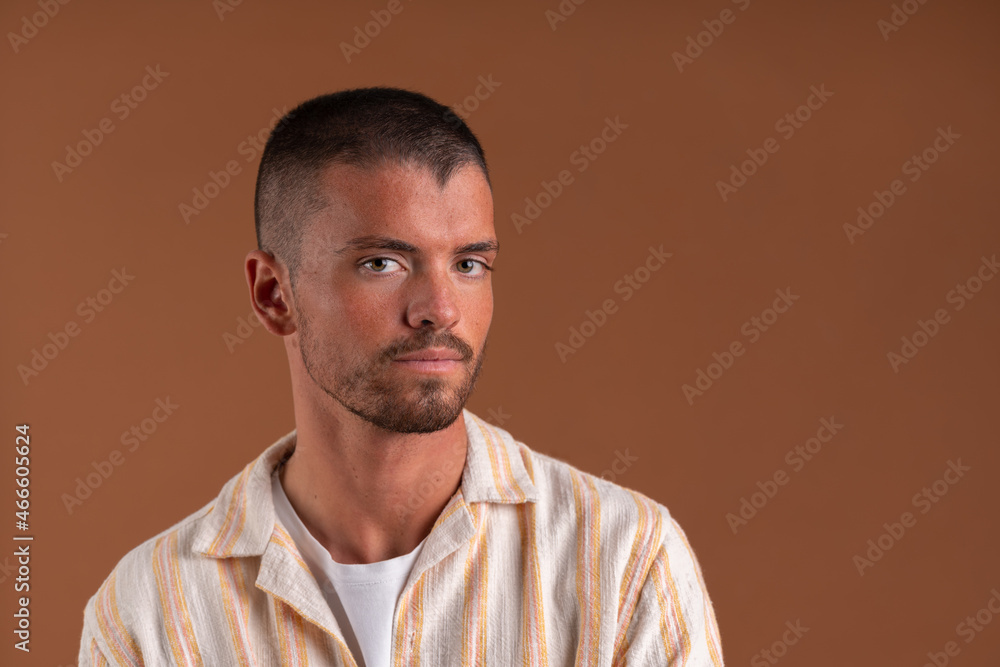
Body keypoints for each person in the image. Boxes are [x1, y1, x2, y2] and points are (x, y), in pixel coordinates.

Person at [78, 86, 724, 666]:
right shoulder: (150, 609)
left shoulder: (623, 557)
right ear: (275, 293)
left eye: (469, 264)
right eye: (383, 262)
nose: (441, 310)